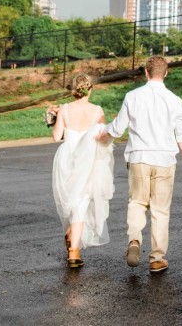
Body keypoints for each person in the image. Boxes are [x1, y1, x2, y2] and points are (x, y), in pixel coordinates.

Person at [97, 55, 182, 273]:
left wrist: (103, 134)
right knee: (160, 210)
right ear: (166, 73)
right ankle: (157, 258)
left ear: (146, 72)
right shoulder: (175, 100)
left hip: (139, 158)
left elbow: (118, 127)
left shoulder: (132, 96)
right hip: (164, 160)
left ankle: (134, 240)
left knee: (137, 203)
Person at [46, 73, 115, 269]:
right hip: (88, 158)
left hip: (67, 157)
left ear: (74, 90)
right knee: (82, 199)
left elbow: (56, 136)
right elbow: (102, 137)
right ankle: (74, 251)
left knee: (73, 199)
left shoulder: (65, 109)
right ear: (90, 89)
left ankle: (72, 238)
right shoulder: (97, 110)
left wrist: (51, 119)